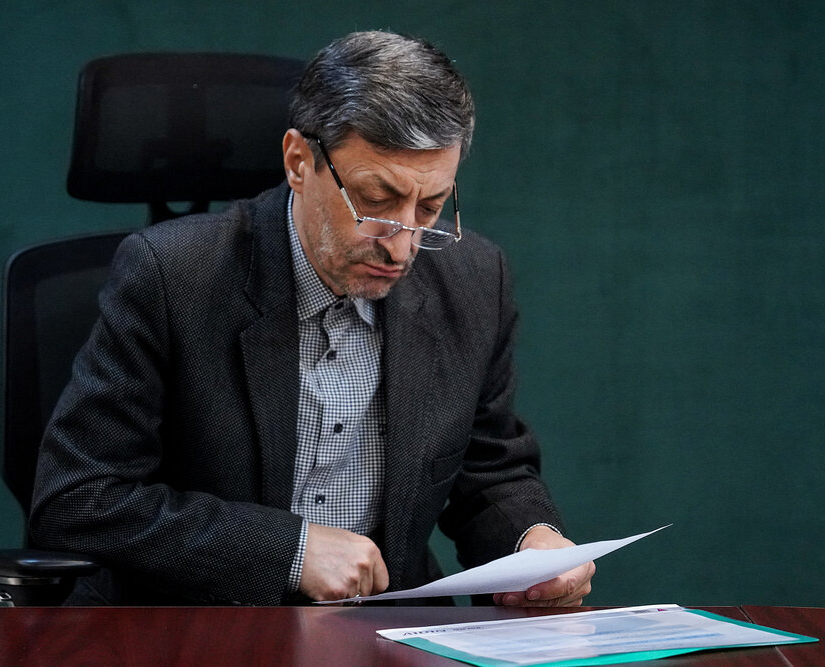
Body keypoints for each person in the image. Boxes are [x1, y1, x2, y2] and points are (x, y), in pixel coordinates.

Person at [30, 30, 595, 606]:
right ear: (299, 162)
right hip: (208, 626)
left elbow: (491, 473)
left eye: (429, 207)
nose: (402, 246)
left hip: (389, 628)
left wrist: (532, 540)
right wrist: (288, 551)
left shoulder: (473, 280)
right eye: (375, 200)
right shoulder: (173, 276)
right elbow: (78, 500)